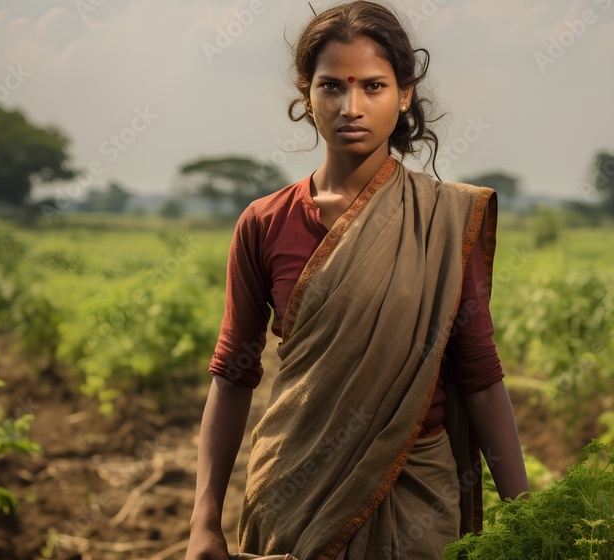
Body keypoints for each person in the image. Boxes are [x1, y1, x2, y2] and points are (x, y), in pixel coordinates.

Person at [187, 2, 529, 559]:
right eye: (331, 87)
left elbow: (479, 375)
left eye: (373, 86)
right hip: (293, 495)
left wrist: (527, 520)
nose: (352, 107)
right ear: (306, 94)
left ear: (405, 94)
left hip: (416, 498)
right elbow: (231, 375)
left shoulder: (442, 220)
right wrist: (204, 522)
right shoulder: (265, 221)